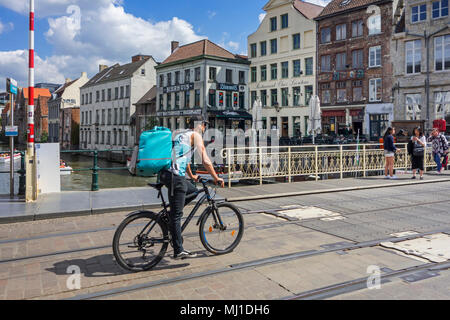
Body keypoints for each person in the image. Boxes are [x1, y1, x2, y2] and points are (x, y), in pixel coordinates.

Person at [159, 116, 225, 260]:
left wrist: (192, 176)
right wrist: (216, 177)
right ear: (200, 125)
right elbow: (205, 160)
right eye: (205, 125)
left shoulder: (182, 135)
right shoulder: (195, 135)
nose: (205, 128)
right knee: (177, 215)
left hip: (166, 174)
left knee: (193, 191)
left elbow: (184, 158)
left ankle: (171, 218)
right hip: (175, 177)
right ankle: (178, 250)